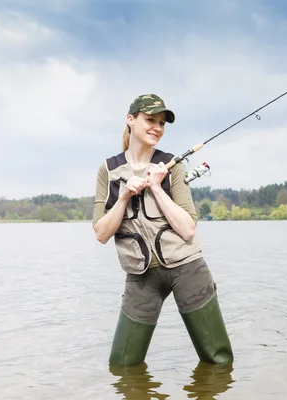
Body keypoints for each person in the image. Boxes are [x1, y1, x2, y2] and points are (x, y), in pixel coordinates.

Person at [92, 93, 233, 366]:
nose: (157, 127)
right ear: (131, 120)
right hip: (140, 277)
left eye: (162, 123)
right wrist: (122, 197)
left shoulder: (172, 166)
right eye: (150, 120)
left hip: (187, 268)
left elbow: (188, 229)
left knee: (218, 361)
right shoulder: (108, 170)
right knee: (122, 365)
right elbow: (101, 233)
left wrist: (157, 187)